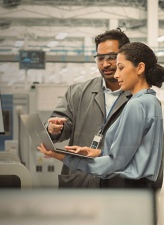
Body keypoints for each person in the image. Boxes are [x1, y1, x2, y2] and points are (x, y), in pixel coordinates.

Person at [40, 42, 164, 191]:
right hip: (142, 188)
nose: (116, 74)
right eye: (100, 58)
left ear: (140, 68)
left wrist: (63, 157)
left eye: (121, 67)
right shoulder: (151, 101)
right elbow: (136, 152)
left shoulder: (135, 105)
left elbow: (115, 164)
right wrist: (100, 152)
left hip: (129, 190)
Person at [45, 28, 131, 188]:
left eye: (112, 57)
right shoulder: (77, 92)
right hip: (81, 181)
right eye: (100, 58)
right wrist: (53, 129)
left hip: (120, 184)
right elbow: (55, 127)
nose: (105, 64)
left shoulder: (138, 97)